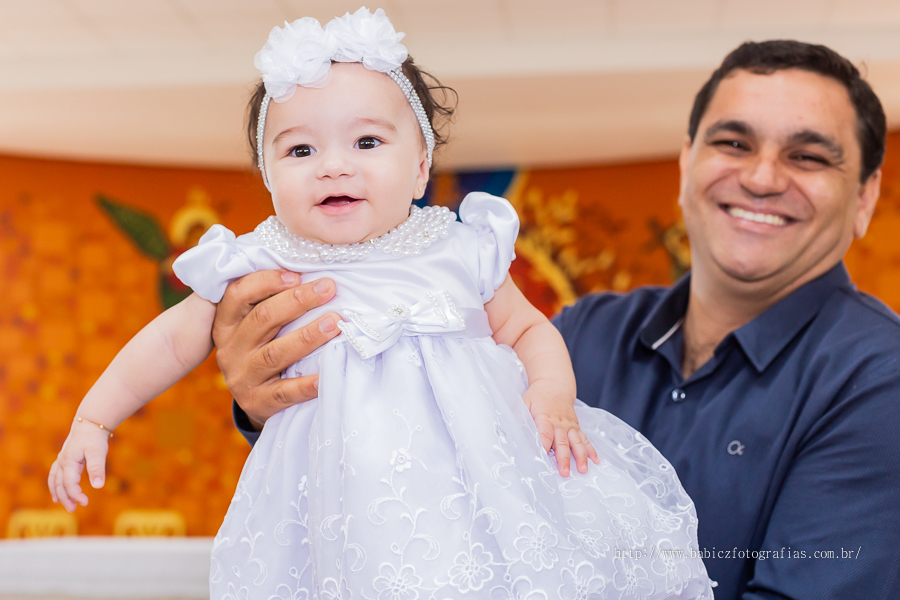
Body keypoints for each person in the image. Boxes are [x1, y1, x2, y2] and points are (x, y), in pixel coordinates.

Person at [48, 9, 714, 599]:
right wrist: (94, 419)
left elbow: (528, 327)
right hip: (340, 498)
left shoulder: (458, 245)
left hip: (475, 482)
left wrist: (551, 393)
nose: (335, 165)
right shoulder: (264, 256)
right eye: (301, 149)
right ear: (270, 179)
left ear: (420, 166)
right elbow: (172, 339)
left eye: (367, 142)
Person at [219, 39, 900, 599]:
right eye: (733, 143)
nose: (761, 177)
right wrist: (274, 402)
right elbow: (408, 465)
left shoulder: (879, 378)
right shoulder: (587, 332)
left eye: (809, 156)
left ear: (867, 196)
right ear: (688, 164)